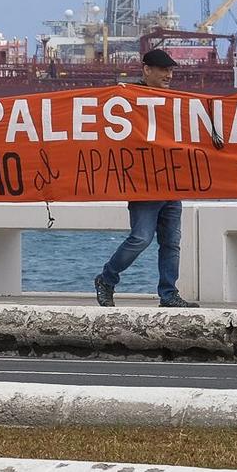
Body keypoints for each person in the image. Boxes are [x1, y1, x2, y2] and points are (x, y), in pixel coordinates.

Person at [93, 47, 199, 309]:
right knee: (141, 238)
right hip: (143, 183)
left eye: (171, 70)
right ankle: (107, 278)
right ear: (146, 70)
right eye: (163, 69)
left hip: (171, 182)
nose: (169, 75)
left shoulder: (174, 101)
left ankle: (168, 294)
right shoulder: (127, 98)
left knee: (171, 243)